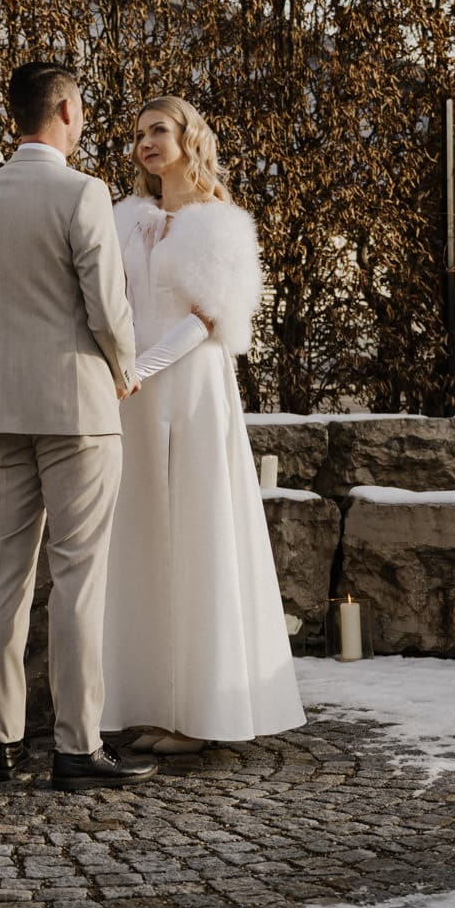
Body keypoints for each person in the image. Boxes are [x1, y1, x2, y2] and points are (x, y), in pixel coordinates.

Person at [0, 60, 160, 792]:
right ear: (65, 109)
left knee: (7, 567)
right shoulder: (83, 192)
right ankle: (75, 744)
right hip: (77, 407)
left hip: (0, 407)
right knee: (77, 575)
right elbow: (106, 306)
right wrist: (125, 366)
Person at [100, 94, 305, 752]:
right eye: (137, 134)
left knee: (192, 533)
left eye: (158, 130)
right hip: (130, 395)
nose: (145, 142)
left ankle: (199, 714)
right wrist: (113, 366)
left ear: (190, 138)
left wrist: (142, 369)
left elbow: (209, 317)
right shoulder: (122, 219)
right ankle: (144, 700)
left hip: (187, 388)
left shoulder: (220, 221)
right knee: (142, 541)